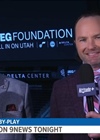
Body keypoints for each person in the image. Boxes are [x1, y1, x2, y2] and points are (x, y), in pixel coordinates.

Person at [49, 10, 100, 140]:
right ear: (75, 43)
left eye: (98, 37)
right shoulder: (61, 88)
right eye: (83, 40)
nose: (91, 46)